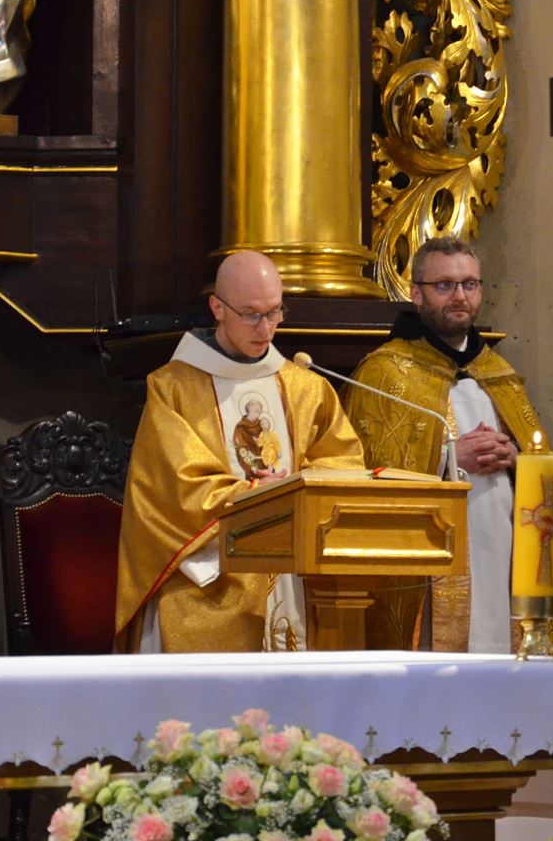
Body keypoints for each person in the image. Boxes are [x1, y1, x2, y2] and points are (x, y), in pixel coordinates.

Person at [114, 251, 366, 653]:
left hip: (293, 581)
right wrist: (254, 497)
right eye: (250, 314)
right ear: (217, 307)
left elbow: (344, 463)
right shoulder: (173, 388)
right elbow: (174, 491)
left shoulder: (306, 387)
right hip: (209, 582)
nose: (265, 328)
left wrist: (300, 488)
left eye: (274, 312)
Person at [342, 237, 542, 653]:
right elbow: (366, 472)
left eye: (470, 285)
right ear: (416, 293)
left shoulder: (497, 371)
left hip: (502, 555)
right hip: (431, 567)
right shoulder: (385, 372)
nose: (459, 296)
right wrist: (450, 459)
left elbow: (540, 461)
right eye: (445, 285)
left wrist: (517, 460)